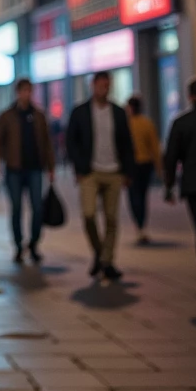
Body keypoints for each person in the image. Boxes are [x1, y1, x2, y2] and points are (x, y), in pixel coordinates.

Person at [66, 70, 134, 282]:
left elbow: (126, 143)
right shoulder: (80, 112)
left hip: (114, 171)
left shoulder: (118, 112)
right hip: (90, 172)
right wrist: (79, 168)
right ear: (93, 86)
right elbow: (71, 141)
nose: (104, 89)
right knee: (88, 215)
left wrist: (128, 171)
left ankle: (107, 261)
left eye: (108, 85)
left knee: (112, 219)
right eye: (101, 85)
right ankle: (99, 251)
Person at [0, 78, 56, 264]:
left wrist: (51, 167)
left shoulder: (38, 116)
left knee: (37, 207)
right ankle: (18, 245)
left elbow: (47, 143)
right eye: (23, 91)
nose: (26, 94)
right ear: (18, 92)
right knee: (17, 208)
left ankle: (34, 243)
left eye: (29, 91)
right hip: (14, 169)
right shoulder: (7, 116)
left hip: (35, 168)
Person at [164, 77, 196, 294]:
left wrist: (168, 185)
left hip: (195, 185)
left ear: (190, 96)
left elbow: (172, 157)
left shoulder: (181, 123)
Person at [126, 94, 162, 245]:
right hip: (146, 165)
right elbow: (155, 147)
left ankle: (139, 225)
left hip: (131, 165)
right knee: (142, 194)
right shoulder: (147, 123)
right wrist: (160, 168)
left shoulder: (126, 124)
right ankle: (141, 226)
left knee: (134, 196)